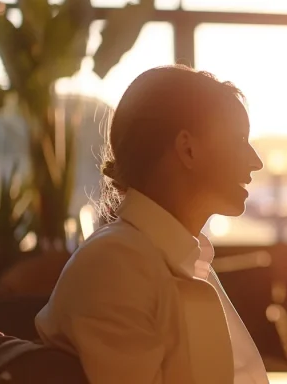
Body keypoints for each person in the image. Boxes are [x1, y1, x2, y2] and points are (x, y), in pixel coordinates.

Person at [35, 66, 267, 384]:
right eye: (240, 138)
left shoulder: (176, 259)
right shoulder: (117, 265)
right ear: (188, 149)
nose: (256, 160)